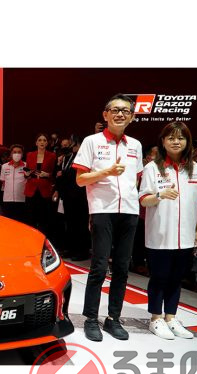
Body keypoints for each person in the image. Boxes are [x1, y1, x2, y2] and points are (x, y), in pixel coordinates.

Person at [72, 94, 143, 342]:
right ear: (105, 114)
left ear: (131, 117)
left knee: (122, 268)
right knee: (99, 266)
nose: (120, 114)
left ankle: (113, 318)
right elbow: (80, 180)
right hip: (102, 209)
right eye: (115, 110)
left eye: (125, 111)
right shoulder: (91, 142)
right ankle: (91, 318)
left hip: (130, 211)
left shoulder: (135, 145)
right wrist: (107, 172)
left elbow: (135, 179)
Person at [139, 122, 197, 339]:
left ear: (187, 141)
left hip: (185, 235)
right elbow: (144, 200)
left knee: (177, 278)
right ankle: (155, 318)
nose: (176, 142)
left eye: (181, 138)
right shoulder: (152, 168)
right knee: (159, 277)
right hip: (160, 233)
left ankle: (171, 317)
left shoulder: (194, 168)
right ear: (163, 141)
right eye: (171, 138)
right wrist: (160, 195)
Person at [24, 133, 56, 234]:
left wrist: (47, 175)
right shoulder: (30, 155)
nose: (42, 142)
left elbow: (54, 173)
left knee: (44, 218)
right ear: (36, 143)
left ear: (47, 143)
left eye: (44, 140)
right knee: (30, 218)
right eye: (40, 140)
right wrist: (27, 174)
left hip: (45, 189)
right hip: (31, 189)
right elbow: (27, 172)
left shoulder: (52, 155)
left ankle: (43, 238)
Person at [0, 144, 27, 223]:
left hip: (22, 199)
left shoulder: (26, 166)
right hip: (7, 199)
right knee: (9, 222)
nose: (17, 154)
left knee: (20, 222)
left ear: (22, 154)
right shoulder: (4, 166)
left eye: (19, 152)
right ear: (11, 154)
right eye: (14, 152)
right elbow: (3, 181)